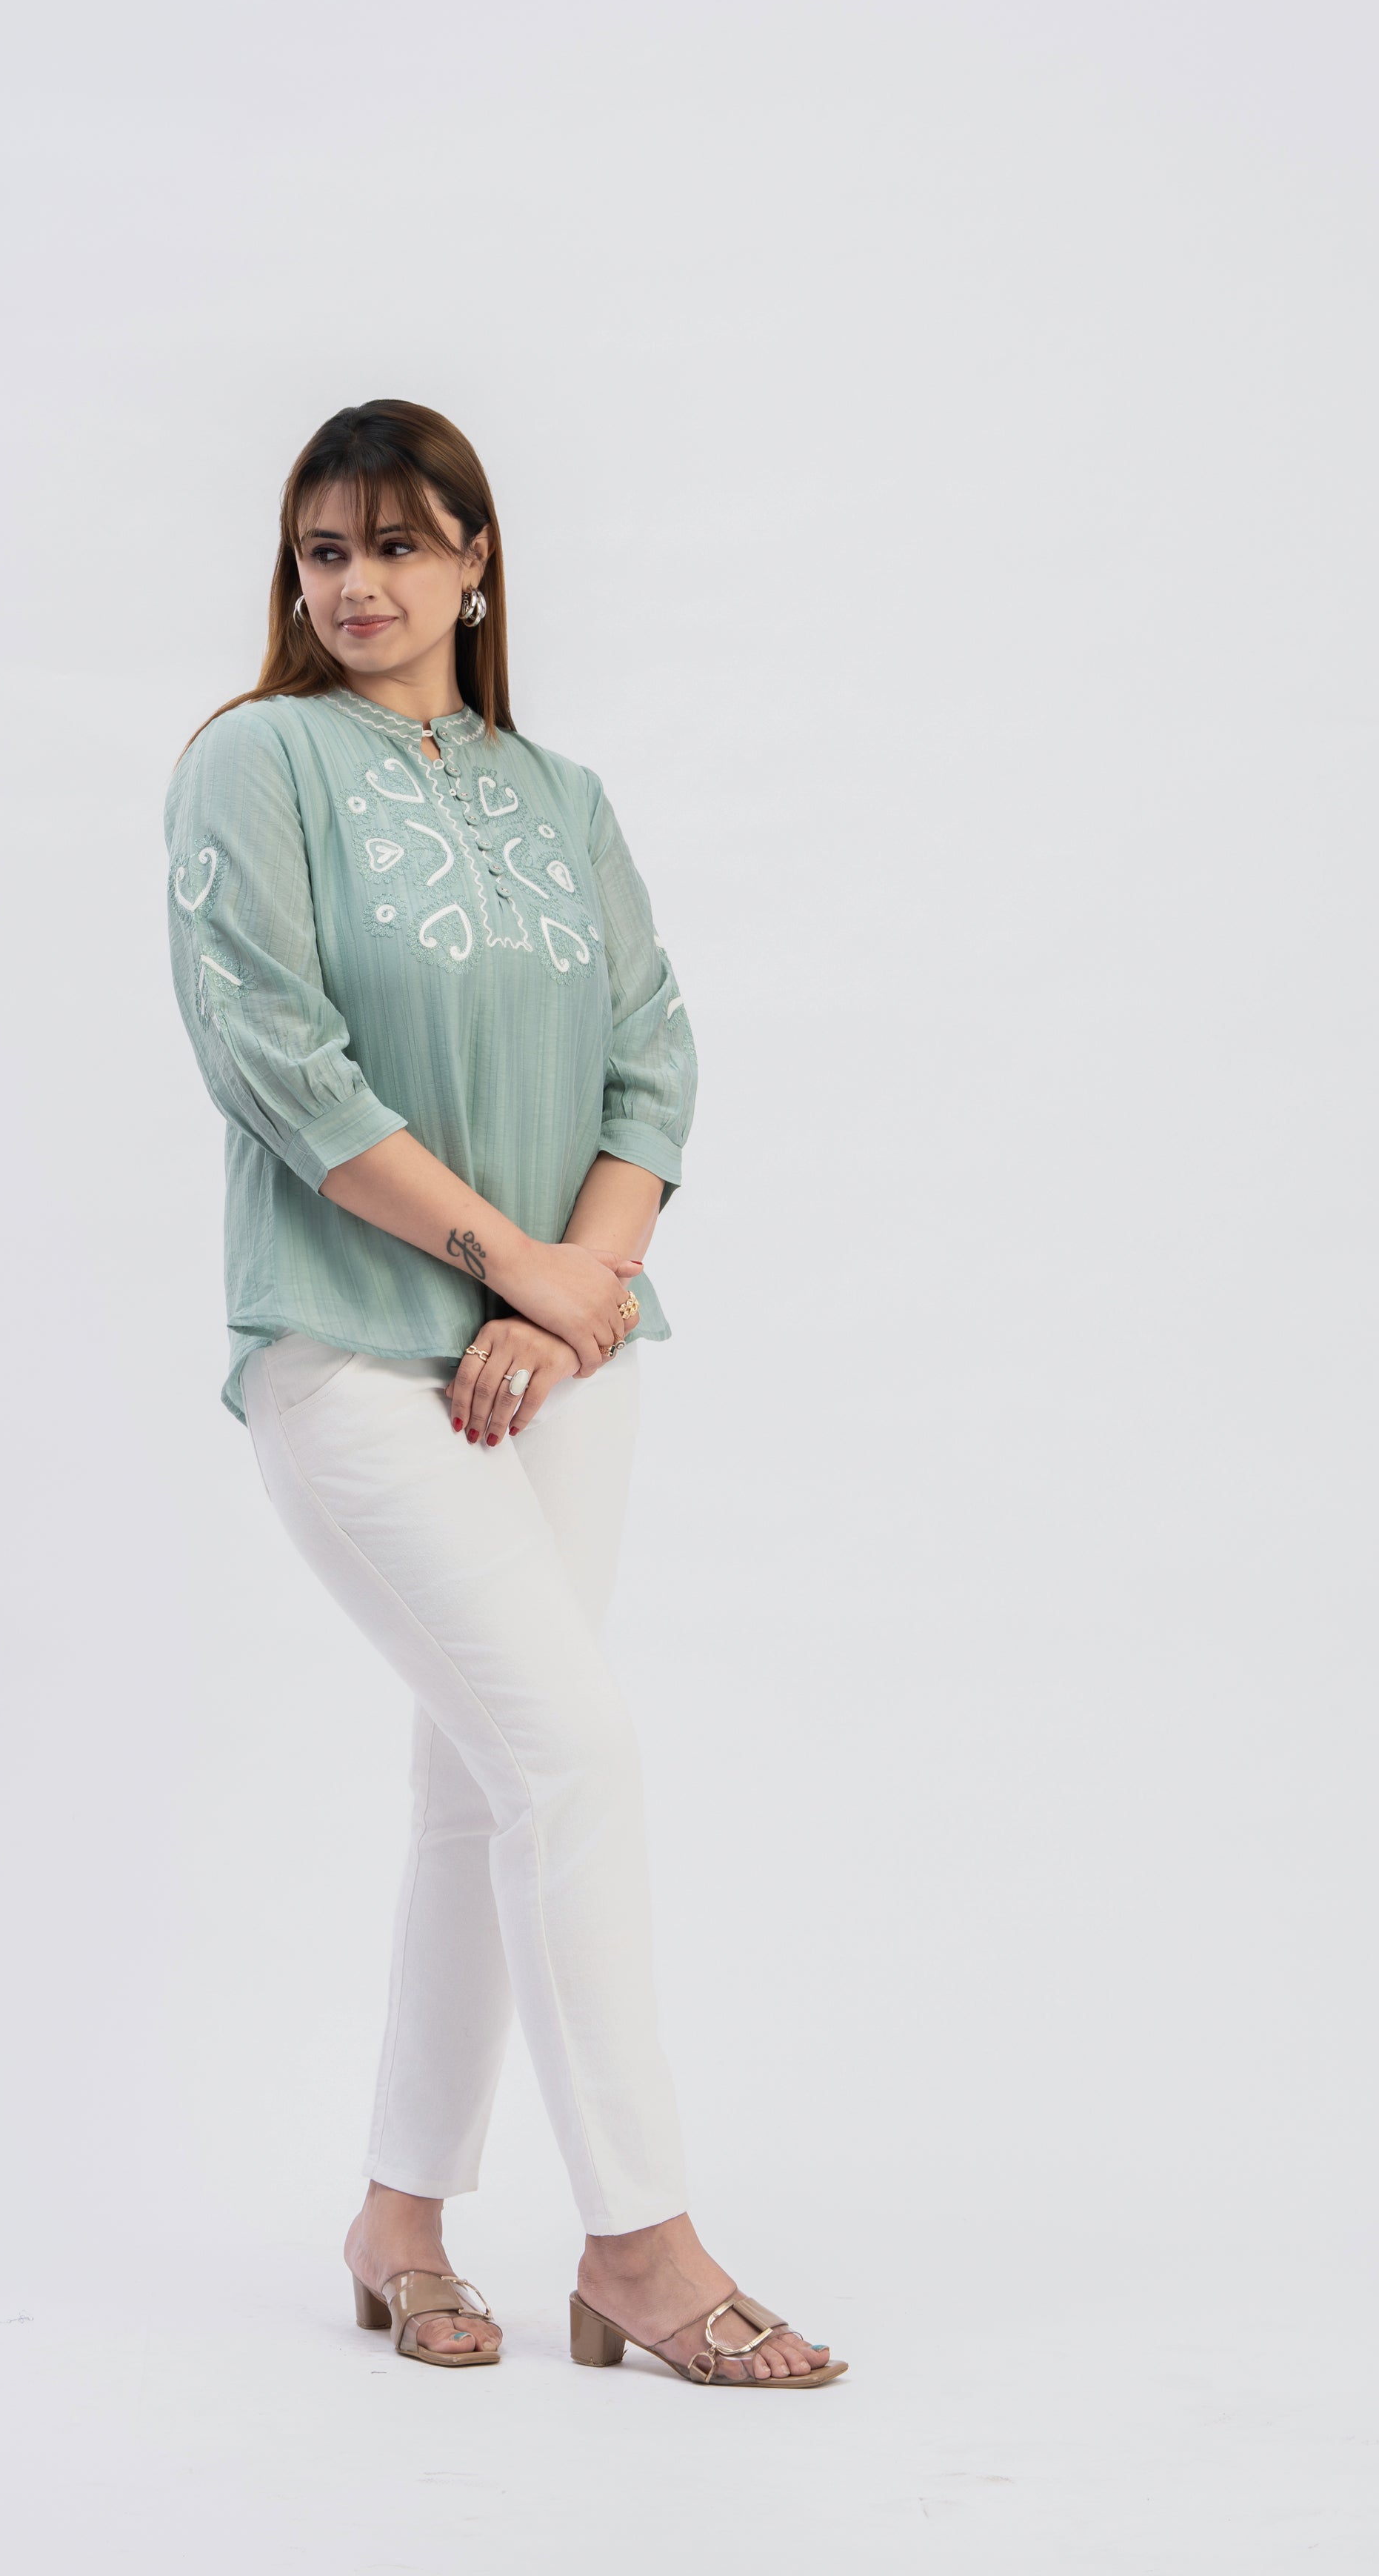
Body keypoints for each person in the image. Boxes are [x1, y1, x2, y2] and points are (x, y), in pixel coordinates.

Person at [164, 400, 846, 2390]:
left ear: (475, 563)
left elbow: (653, 1058)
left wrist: (573, 1295)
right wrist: (509, 1262)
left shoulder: (564, 796)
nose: (355, 586)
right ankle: (640, 2243)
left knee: (481, 1785)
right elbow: (274, 1057)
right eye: (322, 550)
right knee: (574, 1757)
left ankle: (399, 2222)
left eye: (397, 544)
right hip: (349, 1348)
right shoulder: (255, 762)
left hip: (562, 1363)